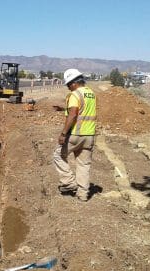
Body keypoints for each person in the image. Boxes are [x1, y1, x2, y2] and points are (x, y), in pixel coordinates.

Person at [53, 69, 97, 202]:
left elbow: (73, 114)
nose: (68, 87)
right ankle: (83, 194)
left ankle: (70, 183)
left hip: (75, 134)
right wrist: (62, 109)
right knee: (83, 164)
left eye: (68, 84)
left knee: (58, 155)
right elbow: (82, 110)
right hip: (89, 135)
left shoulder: (75, 94)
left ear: (74, 83)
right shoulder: (91, 93)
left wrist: (63, 134)